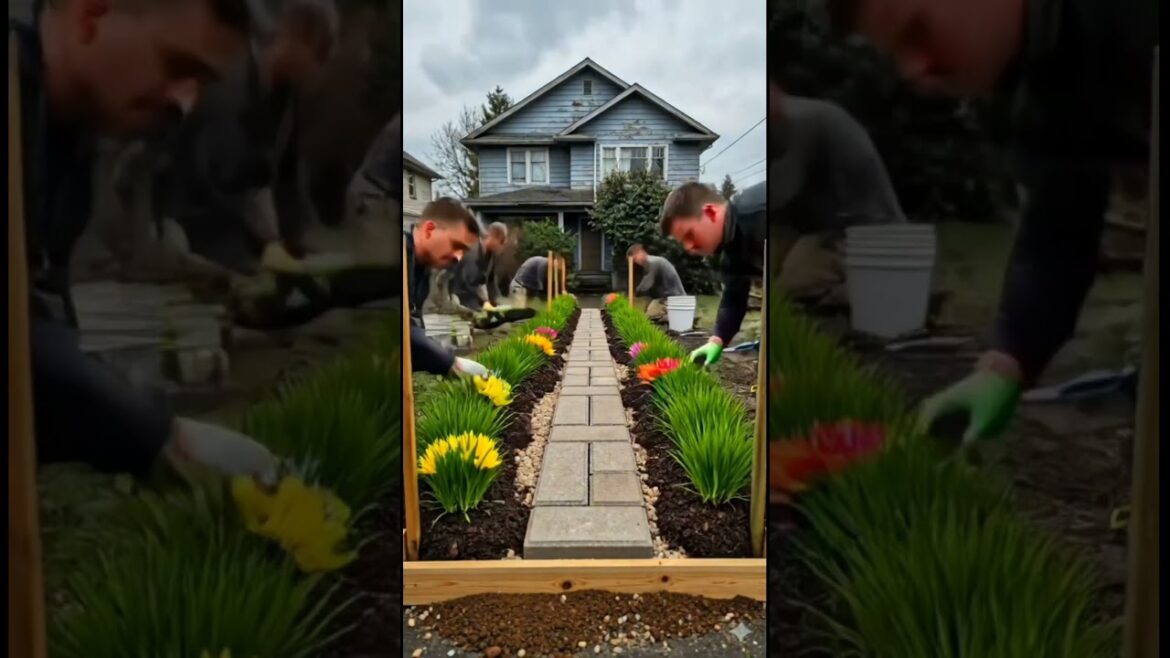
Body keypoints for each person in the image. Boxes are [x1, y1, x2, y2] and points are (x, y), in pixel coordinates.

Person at [821, 0, 1158, 441]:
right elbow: (1058, 228)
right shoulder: (1048, 83)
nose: (912, 71)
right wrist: (1006, 363)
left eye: (917, 32)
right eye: (894, 55)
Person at [13, 0, 280, 481]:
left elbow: (35, 309)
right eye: (177, 67)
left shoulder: (68, 135)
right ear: (91, 14)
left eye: (201, 83)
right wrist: (158, 436)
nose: (185, 103)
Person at [770, 85, 906, 304]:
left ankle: (883, 282)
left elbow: (781, 191)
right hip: (826, 228)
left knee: (791, 286)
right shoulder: (788, 121)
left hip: (866, 232)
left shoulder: (803, 122)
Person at [660, 181, 766, 365]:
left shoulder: (759, 213)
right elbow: (733, 298)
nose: (689, 248)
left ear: (710, 211)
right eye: (682, 242)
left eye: (690, 235)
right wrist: (717, 340)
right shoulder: (732, 248)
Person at [405, 198, 489, 376]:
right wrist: (449, 362)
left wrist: (443, 359)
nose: (458, 257)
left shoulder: (421, 267)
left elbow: (411, 328)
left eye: (464, 251)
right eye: (456, 245)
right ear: (429, 230)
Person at [449, 221, 509, 313]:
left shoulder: (490, 255)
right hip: (462, 299)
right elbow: (467, 286)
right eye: (501, 242)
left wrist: (500, 301)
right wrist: (485, 303)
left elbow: (491, 282)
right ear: (494, 237)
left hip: (476, 298)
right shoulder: (472, 252)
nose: (502, 248)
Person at [627, 243, 687, 324]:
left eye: (635, 259)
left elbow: (647, 285)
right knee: (649, 311)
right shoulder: (651, 263)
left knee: (649, 317)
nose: (636, 262)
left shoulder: (653, 263)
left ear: (640, 252)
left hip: (674, 299)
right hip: (668, 298)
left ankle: (669, 321)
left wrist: (634, 293)